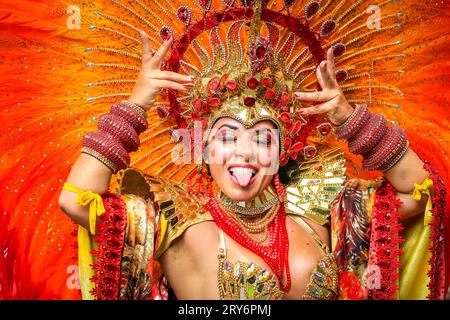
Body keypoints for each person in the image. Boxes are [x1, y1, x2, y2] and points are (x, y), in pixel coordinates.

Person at [57, 0, 447, 300]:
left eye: (262, 138)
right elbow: (77, 200)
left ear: (281, 151)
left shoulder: (319, 215)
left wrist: (350, 120)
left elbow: (419, 192)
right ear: (204, 149)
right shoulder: (173, 224)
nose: (244, 152)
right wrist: (136, 105)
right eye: (226, 136)